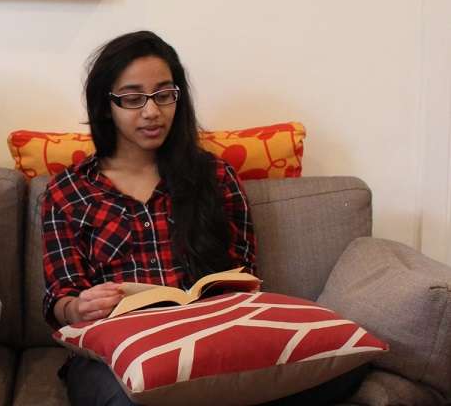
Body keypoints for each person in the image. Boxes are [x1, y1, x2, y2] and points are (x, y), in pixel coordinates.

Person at [41, 31, 364, 405]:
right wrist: (79, 306)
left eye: (164, 95)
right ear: (105, 106)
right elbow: (60, 301)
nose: (152, 112)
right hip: (117, 350)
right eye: (132, 99)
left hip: (209, 338)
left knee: (346, 365)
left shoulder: (216, 177)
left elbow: (244, 277)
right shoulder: (69, 191)